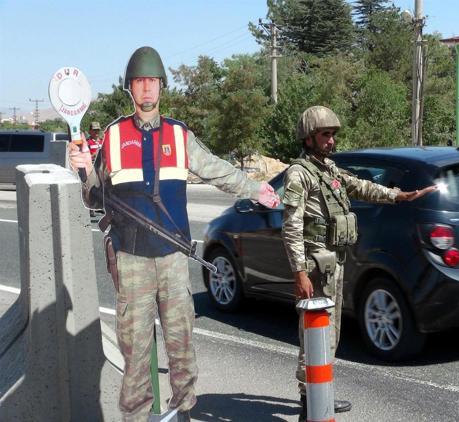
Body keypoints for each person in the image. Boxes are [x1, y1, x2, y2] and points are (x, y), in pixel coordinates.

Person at [68, 46, 279, 422]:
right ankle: (137, 417)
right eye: (139, 82)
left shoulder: (179, 136)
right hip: (130, 260)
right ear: (130, 89)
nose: (146, 88)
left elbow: (215, 169)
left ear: (161, 87)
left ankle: (182, 412)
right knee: (133, 352)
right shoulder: (114, 136)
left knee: (181, 348)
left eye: (152, 81)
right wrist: (83, 169)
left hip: (172, 258)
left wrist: (254, 188)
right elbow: (93, 198)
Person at [281, 106, 437, 421]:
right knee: (314, 334)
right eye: (326, 135)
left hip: (332, 264)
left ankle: (320, 393)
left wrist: (399, 196)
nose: (331, 141)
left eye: (333, 135)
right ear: (309, 138)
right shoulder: (299, 174)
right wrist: (299, 272)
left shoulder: (328, 169)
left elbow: (361, 187)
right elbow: (291, 227)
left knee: (331, 332)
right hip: (314, 266)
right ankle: (309, 401)